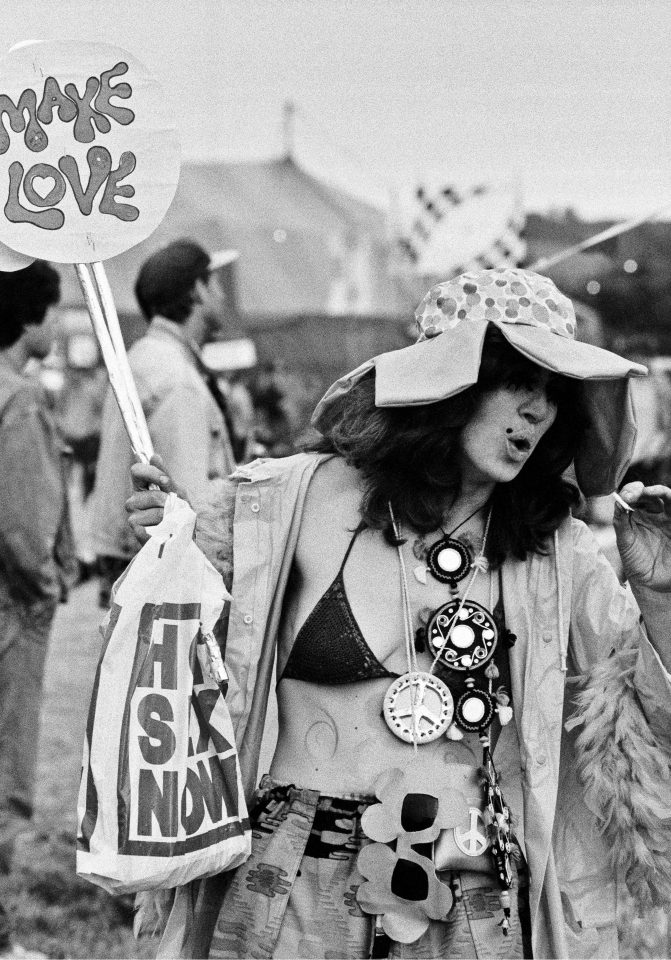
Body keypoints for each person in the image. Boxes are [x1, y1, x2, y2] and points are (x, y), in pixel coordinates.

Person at [126, 268, 671, 960]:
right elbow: (177, 663)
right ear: (448, 383)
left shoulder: (551, 547)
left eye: (553, 395)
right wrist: (173, 543)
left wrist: (657, 596)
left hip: (466, 890)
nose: (537, 412)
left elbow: (643, 729)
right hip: (292, 884)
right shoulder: (287, 501)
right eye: (517, 383)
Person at [91, 239, 241, 606]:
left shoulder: (143, 360)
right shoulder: (177, 379)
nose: (221, 296)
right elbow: (187, 503)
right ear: (198, 290)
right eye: (215, 284)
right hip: (162, 569)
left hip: (131, 559)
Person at [0, 261, 76, 958]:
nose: (57, 327)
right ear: (29, 316)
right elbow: (25, 525)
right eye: (54, 312)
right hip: (12, 614)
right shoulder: (20, 397)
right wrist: (49, 585)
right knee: (6, 779)